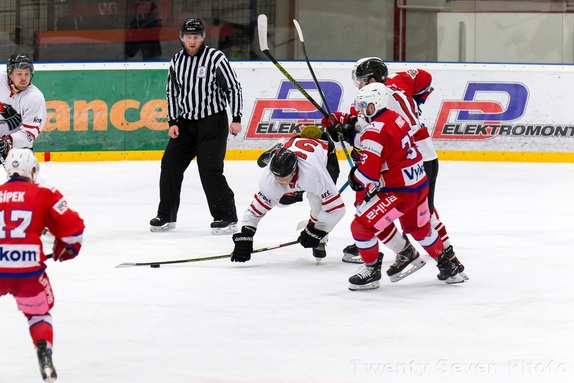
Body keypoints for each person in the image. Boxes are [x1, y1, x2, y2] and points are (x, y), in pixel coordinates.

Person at [345, 83, 463, 290]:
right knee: (419, 229)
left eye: (365, 105)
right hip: (420, 186)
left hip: (399, 193)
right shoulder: (396, 118)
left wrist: (356, 174)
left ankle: (371, 271)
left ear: (375, 104)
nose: (362, 110)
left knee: (361, 227)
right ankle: (448, 267)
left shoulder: (373, 131)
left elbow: (367, 174)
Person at [150, 18, 243, 234]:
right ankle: (166, 216)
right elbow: (172, 93)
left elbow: (233, 88)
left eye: (197, 37)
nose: (192, 41)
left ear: (203, 38)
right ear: (182, 38)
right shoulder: (176, 61)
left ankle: (226, 217)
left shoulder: (215, 58)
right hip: (184, 125)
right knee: (170, 165)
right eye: (189, 37)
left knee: (210, 169)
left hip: (212, 123)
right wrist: (173, 121)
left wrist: (236, 117)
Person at [0, 148, 85, 382]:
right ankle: (44, 354)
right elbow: (74, 228)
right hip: (28, 270)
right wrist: (68, 247)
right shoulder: (45, 192)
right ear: (33, 170)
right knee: (38, 314)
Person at [231, 133, 346, 263]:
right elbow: (254, 212)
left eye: (283, 178)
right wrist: (246, 235)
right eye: (276, 177)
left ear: (293, 171)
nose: (279, 181)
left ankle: (322, 241)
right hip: (296, 145)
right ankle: (277, 150)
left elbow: (337, 209)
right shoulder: (269, 179)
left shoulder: (314, 175)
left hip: (324, 154)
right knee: (282, 201)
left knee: (318, 203)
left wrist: (317, 231)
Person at [0, 53, 47, 160]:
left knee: (24, 175)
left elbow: (29, 134)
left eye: (27, 74)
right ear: (10, 74)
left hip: (18, 148)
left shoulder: (35, 97)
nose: (24, 78)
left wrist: (7, 142)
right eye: (19, 74)